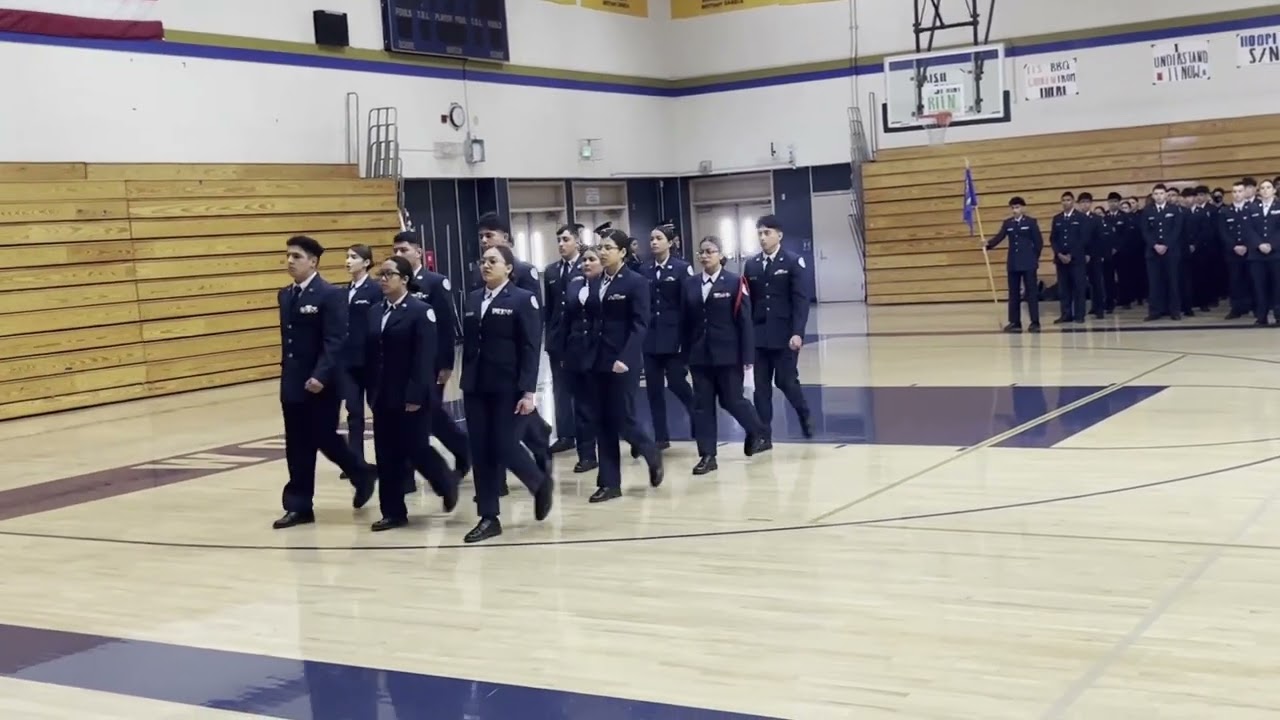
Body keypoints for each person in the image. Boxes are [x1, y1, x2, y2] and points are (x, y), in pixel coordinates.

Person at [274, 235, 376, 530]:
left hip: (323, 383)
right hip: (293, 382)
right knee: (296, 444)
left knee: (322, 436)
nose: (290, 261)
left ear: (313, 261)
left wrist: (321, 374)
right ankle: (299, 505)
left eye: (296, 256)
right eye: (288, 256)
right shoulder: (285, 295)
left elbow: (335, 340)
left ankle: (360, 472)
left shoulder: (329, 295)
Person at [459, 245, 554, 543]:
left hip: (508, 386)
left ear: (509, 268)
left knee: (503, 445)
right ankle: (488, 516)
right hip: (475, 386)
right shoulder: (473, 298)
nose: (485, 266)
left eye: (493, 261)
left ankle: (539, 483)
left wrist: (528, 391)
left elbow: (530, 347)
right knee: (481, 450)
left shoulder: (523, 300)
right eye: (483, 260)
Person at [364, 256, 459, 531]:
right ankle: (393, 511)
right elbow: (371, 354)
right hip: (383, 394)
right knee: (386, 454)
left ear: (404, 280)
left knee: (416, 448)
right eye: (380, 274)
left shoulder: (420, 311)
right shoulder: (374, 312)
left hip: (411, 394)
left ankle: (445, 481)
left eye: (389, 274)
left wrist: (415, 395)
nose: (383, 279)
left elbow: (424, 357)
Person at [587, 229, 664, 502]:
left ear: (622, 252)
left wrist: (626, 357)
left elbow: (640, 324)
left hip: (623, 361)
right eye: (600, 247)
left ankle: (650, 451)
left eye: (608, 247)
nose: (602, 251)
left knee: (622, 418)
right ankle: (609, 483)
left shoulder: (636, 282)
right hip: (596, 361)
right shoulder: (595, 282)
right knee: (602, 422)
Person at [683, 236, 770, 474]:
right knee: (702, 406)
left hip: (728, 355)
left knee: (732, 400)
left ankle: (757, 429)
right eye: (701, 252)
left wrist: (747, 360)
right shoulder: (690, 284)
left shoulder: (734, 282)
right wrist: (684, 354)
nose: (705, 256)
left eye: (710, 251)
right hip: (699, 356)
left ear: (721, 255)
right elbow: (685, 322)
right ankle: (708, 456)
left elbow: (745, 323)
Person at [390, 232, 469, 480]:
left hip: (430, 363)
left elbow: (445, 326)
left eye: (404, 250)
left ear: (418, 252)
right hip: (403, 365)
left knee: (428, 414)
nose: (399, 255)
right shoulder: (395, 283)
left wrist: (445, 364)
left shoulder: (434, 282)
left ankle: (461, 451)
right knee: (421, 416)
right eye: (396, 251)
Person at [742, 215, 812, 441]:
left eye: (767, 233)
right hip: (759, 335)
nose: (762, 238)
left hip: (784, 335)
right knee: (761, 388)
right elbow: (747, 301)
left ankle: (803, 413)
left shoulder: (792, 261)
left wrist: (797, 332)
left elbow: (801, 300)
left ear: (779, 235)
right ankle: (765, 436)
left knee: (786, 381)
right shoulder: (751, 264)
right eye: (760, 233)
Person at [639, 220, 696, 449]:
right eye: (651, 239)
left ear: (670, 243)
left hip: (674, 337)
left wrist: (687, 339)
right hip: (651, 338)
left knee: (676, 382)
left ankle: (696, 414)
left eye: (658, 238)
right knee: (653, 389)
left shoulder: (682, 268)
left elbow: (688, 304)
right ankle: (661, 436)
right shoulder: (644, 269)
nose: (653, 242)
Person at [542, 224, 585, 455]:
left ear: (577, 242)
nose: (561, 244)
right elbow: (549, 309)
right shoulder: (551, 271)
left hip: (579, 338)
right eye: (558, 239)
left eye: (566, 239)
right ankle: (566, 434)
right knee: (560, 389)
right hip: (558, 339)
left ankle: (585, 432)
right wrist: (549, 337)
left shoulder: (586, 266)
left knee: (581, 389)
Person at [561, 246, 604, 473]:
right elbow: (566, 319)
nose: (586, 264)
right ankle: (587, 455)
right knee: (582, 407)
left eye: (592, 259)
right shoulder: (574, 285)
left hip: (600, 352)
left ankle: (638, 443)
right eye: (584, 260)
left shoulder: (606, 285)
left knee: (609, 407)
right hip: (576, 352)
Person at [339, 244, 380, 469]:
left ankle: (387, 456)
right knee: (353, 411)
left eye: (353, 257)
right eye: (347, 257)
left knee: (378, 409)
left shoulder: (374, 290)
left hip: (371, 361)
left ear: (366, 262)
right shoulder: (344, 291)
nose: (348, 261)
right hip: (349, 362)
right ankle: (356, 461)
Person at [984, 196, 1043, 332]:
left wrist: (1034, 258)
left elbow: (1038, 243)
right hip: (1014, 263)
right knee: (1013, 293)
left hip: (1028, 263)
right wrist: (987, 244)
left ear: (1023, 208)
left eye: (1017, 207)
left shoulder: (1031, 222)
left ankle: (1035, 321)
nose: (1015, 210)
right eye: (1013, 207)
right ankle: (1015, 322)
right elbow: (999, 237)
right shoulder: (1008, 223)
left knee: (1031, 293)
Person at [1142, 183, 1184, 321]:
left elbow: (1177, 230)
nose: (1159, 196)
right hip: (1153, 252)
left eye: (1161, 193)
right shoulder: (1147, 211)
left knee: (1172, 281)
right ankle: (1155, 311)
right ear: (1153, 196)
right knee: (1154, 283)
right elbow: (1145, 230)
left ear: (1166, 195)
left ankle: (1174, 310)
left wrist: (1166, 245)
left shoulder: (1175, 209)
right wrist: (1155, 245)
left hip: (1171, 251)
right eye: (1156, 194)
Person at [1245, 178, 1280, 325]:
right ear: (1259, 191)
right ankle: (1261, 316)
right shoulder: (1252, 208)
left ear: (1274, 190)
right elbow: (1248, 229)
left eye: (1268, 187)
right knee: (1259, 286)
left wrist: (1272, 244)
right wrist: (1259, 244)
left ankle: (1279, 315)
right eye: (1263, 188)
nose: (1265, 190)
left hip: (1276, 253)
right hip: (1257, 255)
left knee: (1278, 286)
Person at [1050, 191, 1088, 323]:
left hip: (1076, 259)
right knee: (1064, 289)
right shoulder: (1057, 218)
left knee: (1079, 287)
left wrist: (1071, 255)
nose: (1065, 202)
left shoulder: (1081, 218)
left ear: (1073, 202)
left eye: (1068, 200)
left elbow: (1083, 239)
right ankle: (1066, 314)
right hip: (1061, 260)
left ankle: (1079, 315)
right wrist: (1059, 254)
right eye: (1063, 200)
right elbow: (1053, 239)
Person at [1219, 180, 1254, 320]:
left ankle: (1254, 307)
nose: (1237, 194)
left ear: (1245, 192)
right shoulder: (1225, 211)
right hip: (1232, 252)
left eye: (1240, 191)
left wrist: (1246, 245)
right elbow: (1223, 232)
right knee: (1235, 281)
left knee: (1252, 280)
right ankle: (1236, 308)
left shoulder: (1253, 208)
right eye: (1234, 192)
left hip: (1249, 251)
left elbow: (1254, 230)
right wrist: (1234, 246)